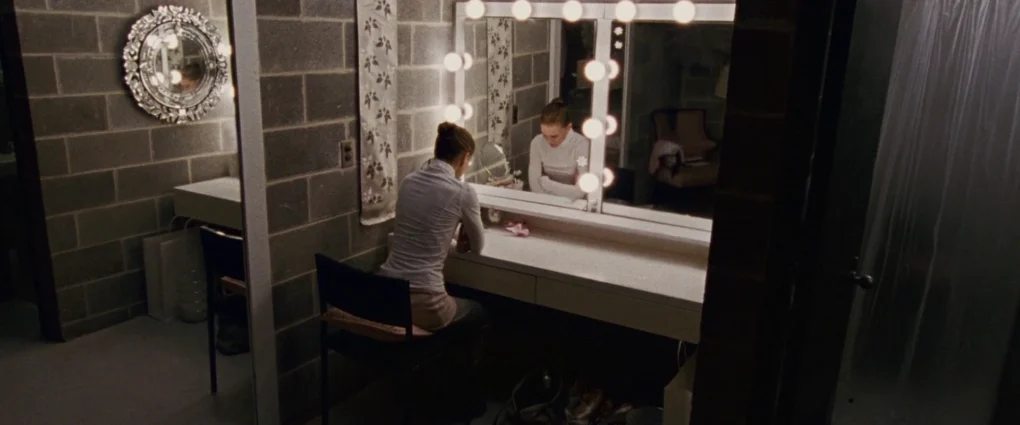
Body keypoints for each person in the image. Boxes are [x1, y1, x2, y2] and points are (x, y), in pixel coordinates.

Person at [378, 122, 488, 333]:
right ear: (465, 157)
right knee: (479, 311)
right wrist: (459, 240)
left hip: (389, 294)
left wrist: (452, 238)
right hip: (425, 301)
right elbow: (478, 247)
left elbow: (428, 228)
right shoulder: (463, 192)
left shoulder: (408, 182)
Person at [528, 99, 590, 200]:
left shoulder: (580, 145)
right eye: (544, 135)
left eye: (554, 136)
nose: (548, 141)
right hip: (545, 202)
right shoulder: (537, 142)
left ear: (568, 127)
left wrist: (549, 185)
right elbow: (535, 188)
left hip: (575, 204)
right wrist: (568, 191)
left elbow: (580, 191)